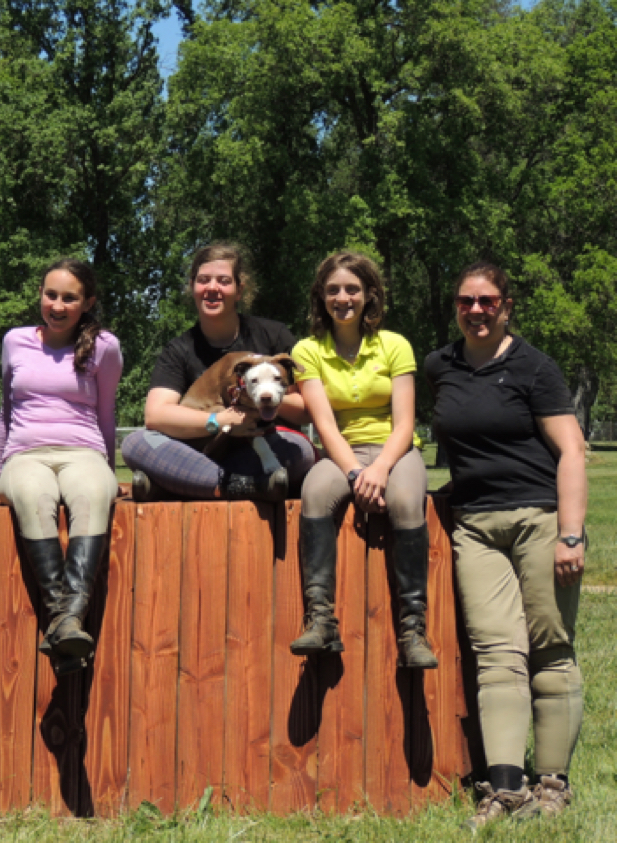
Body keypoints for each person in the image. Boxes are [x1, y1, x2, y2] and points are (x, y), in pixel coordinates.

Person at [426, 262, 586, 828]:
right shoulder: (440, 366)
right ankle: (506, 788)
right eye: (466, 301)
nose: (476, 310)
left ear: (506, 306)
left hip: (539, 518)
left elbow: (572, 450)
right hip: (475, 526)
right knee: (496, 652)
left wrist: (570, 534)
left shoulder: (533, 367)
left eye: (487, 301)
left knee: (550, 648)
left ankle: (553, 784)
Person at [290, 252, 437, 668]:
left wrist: (380, 468)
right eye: (333, 290)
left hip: (395, 449)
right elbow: (324, 425)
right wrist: (356, 473)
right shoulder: (307, 350)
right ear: (321, 297)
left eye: (352, 289)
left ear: (369, 294)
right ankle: (321, 621)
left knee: (405, 501)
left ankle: (413, 631)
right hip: (342, 451)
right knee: (314, 491)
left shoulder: (394, 345)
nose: (343, 298)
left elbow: (405, 423)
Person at [0, 259, 123, 674]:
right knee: (33, 496)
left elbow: (106, 412)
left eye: (70, 298)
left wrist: (107, 469)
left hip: (83, 451)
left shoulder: (105, 346)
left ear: (88, 303)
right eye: (51, 295)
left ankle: (64, 623)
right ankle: (65, 621)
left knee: (92, 494)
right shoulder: (15, 341)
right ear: (40, 295)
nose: (58, 305)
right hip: (24, 453)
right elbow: (5, 409)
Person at [121, 241, 315, 501]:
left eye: (223, 281)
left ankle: (176, 484)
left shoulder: (273, 335)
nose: (212, 288)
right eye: (203, 280)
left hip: (263, 448)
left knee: (301, 450)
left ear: (239, 290)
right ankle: (242, 485)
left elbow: (306, 409)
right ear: (193, 287)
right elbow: (156, 415)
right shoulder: (180, 349)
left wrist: (258, 398)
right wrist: (219, 421)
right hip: (201, 450)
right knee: (135, 444)